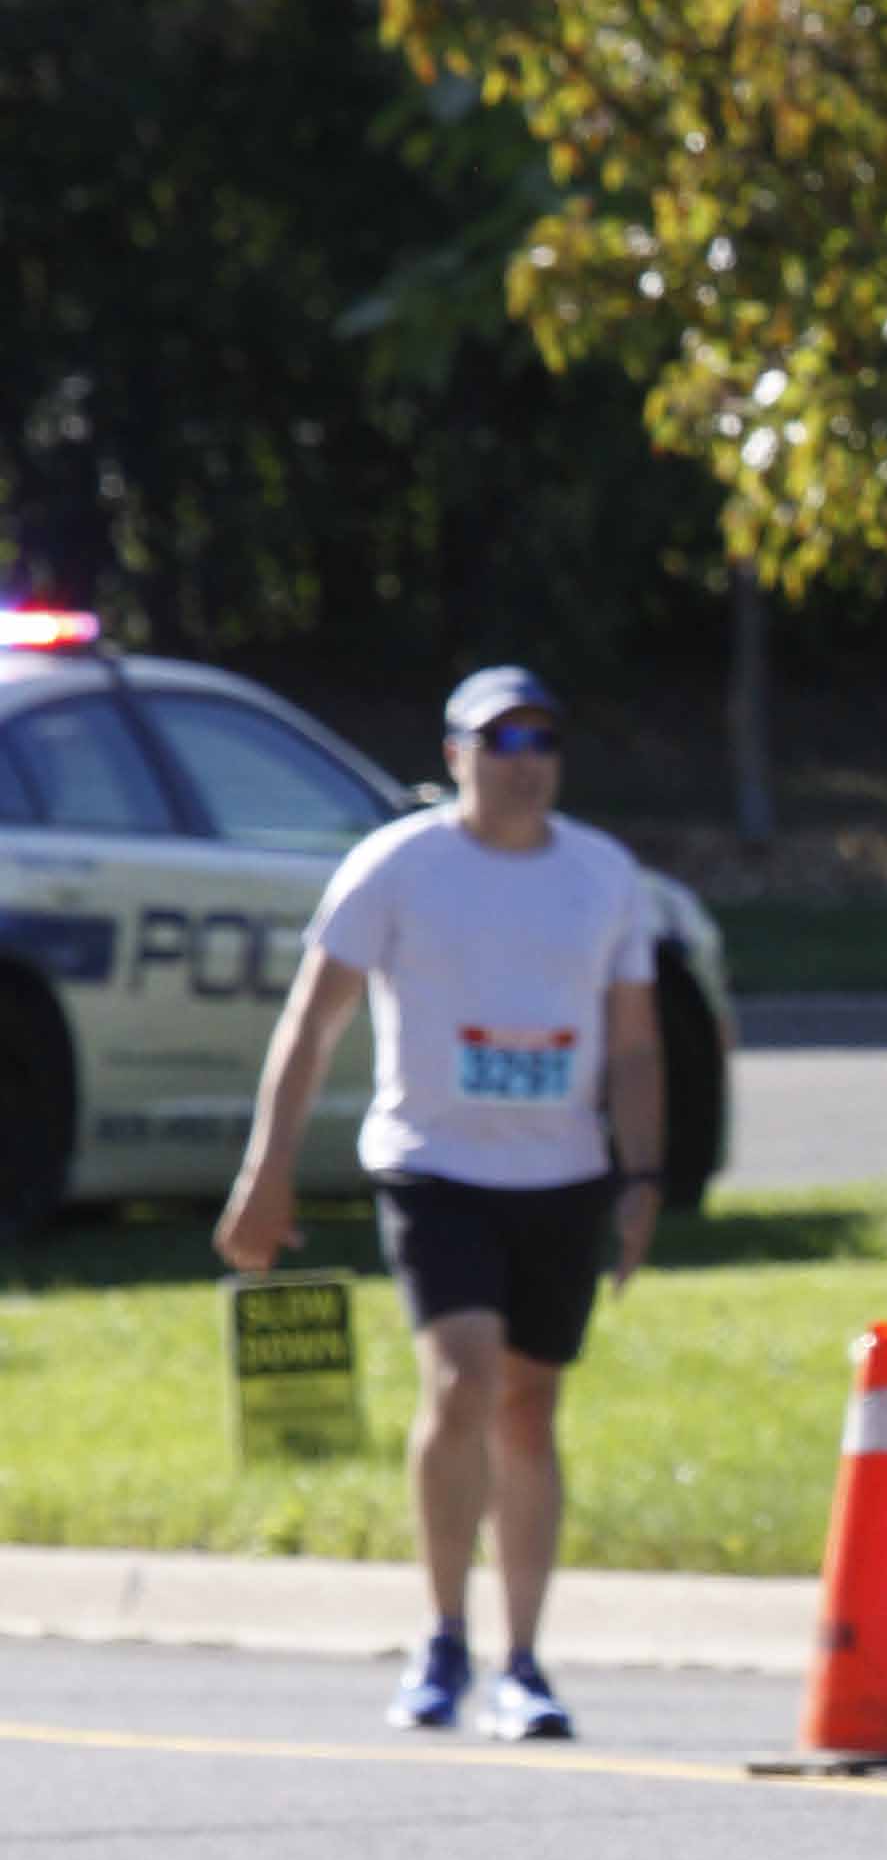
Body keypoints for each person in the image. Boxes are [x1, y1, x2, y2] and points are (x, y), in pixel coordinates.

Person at [216, 665, 663, 1743]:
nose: (525, 763)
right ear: (457, 755)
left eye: (542, 741)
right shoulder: (399, 866)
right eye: (501, 742)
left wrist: (644, 1178)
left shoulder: (603, 875)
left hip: (560, 1175)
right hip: (435, 1167)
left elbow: (636, 1046)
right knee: (462, 1380)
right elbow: (313, 1021)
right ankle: (444, 1635)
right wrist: (267, 1171)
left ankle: (524, 1660)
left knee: (528, 1406)